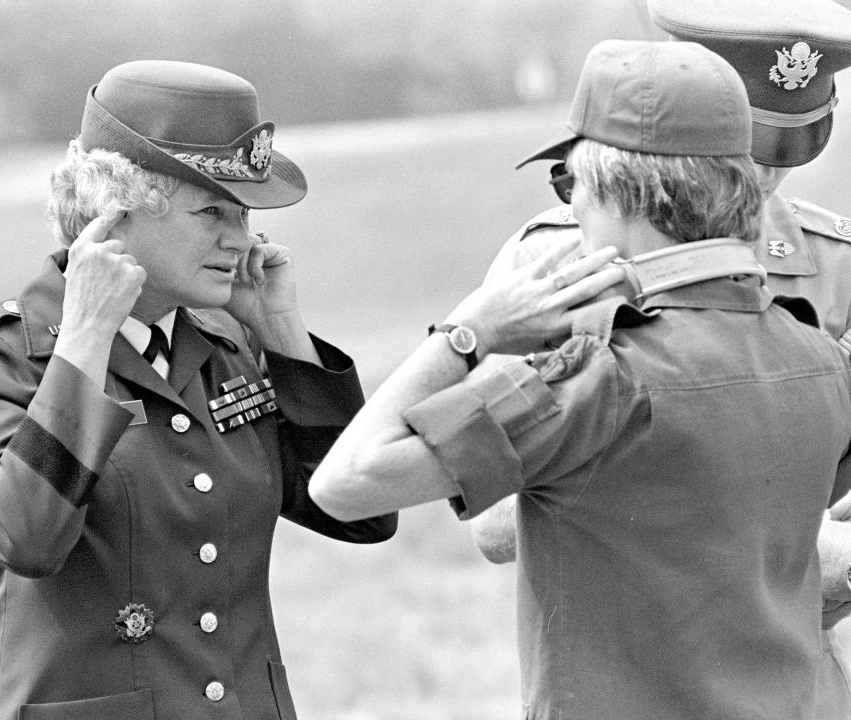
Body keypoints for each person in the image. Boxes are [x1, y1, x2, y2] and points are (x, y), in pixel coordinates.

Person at [308, 39, 851, 719]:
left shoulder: (600, 379)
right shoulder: (818, 354)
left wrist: (467, 333)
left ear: (618, 191)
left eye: (570, 183)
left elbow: (346, 484)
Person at [0, 60, 398, 720]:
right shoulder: (7, 351)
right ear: (114, 210)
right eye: (213, 211)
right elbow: (25, 540)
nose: (241, 242)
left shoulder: (228, 345)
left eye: (244, 216)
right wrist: (85, 339)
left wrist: (284, 333)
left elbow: (363, 512)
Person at [475, 5, 851, 711]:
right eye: (745, 145)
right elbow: (494, 522)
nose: (766, 178)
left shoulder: (838, 264)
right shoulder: (556, 257)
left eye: (788, 148)